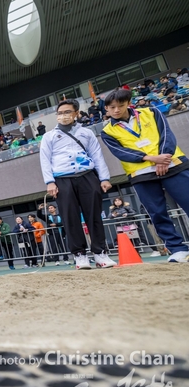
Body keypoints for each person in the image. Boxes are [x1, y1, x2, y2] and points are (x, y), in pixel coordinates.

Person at [101, 88, 189, 263]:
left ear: (128, 103)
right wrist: (150, 159)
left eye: (121, 105)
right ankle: (177, 248)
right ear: (106, 109)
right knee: (157, 213)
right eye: (112, 107)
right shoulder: (107, 131)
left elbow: (167, 135)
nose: (116, 110)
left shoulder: (151, 112)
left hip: (173, 165)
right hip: (142, 174)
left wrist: (162, 159)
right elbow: (121, 152)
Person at [39, 99, 117, 269]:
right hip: (62, 179)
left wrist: (104, 178)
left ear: (75, 113)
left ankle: (100, 253)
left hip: (87, 176)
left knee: (94, 215)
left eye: (67, 112)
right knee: (70, 217)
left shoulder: (86, 133)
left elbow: (97, 156)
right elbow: (45, 160)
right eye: (60, 113)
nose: (63, 116)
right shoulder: (49, 136)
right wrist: (50, 182)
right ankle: (79, 255)